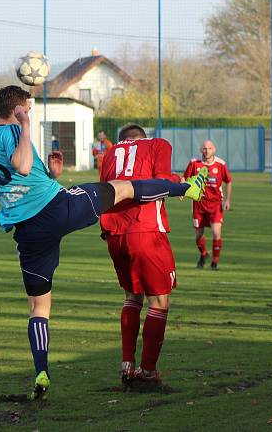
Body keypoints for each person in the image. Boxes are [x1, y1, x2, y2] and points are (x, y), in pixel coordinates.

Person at [0, 86, 207, 401]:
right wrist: (25, 125)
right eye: (27, 109)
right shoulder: (13, 131)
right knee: (123, 188)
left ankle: (41, 372)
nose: (28, 114)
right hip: (56, 209)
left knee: (39, 307)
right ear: (17, 109)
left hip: (27, 231)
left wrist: (52, 172)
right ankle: (186, 190)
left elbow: (21, 177)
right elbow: (21, 165)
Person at [100, 124, 183, 390]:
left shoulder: (111, 154)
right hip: (145, 230)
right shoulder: (158, 144)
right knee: (158, 301)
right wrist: (179, 183)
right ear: (142, 138)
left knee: (132, 296)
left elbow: (104, 194)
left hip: (114, 235)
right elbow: (158, 184)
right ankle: (147, 372)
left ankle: (127, 364)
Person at [184, 140, 233, 270]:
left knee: (216, 232)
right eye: (204, 148)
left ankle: (215, 262)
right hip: (198, 205)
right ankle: (204, 254)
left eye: (209, 148)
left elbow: (228, 181)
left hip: (216, 204)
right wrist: (181, 192)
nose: (207, 151)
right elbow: (184, 178)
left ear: (214, 150)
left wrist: (227, 200)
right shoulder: (194, 163)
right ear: (201, 150)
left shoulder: (221, 164)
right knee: (198, 235)